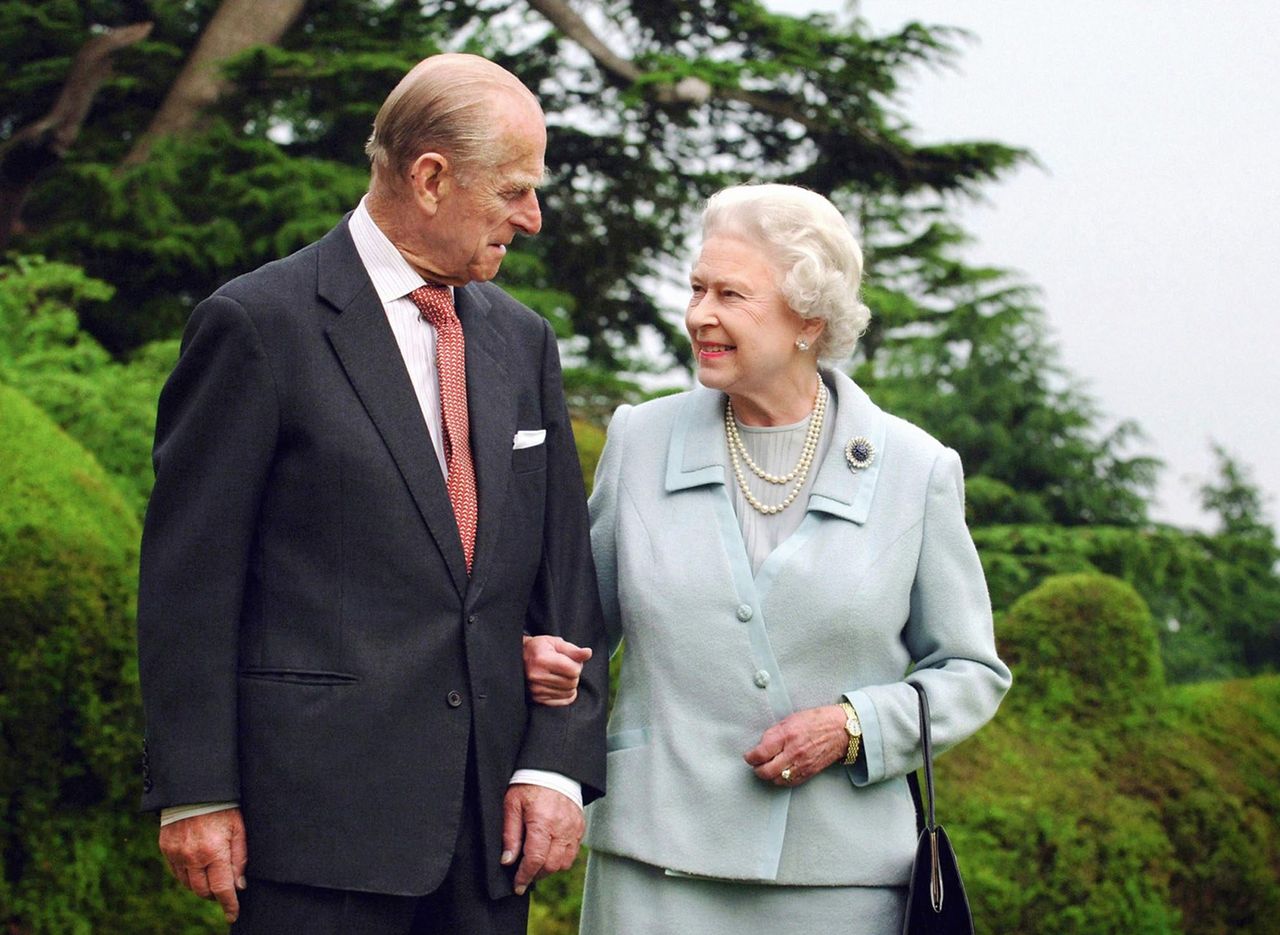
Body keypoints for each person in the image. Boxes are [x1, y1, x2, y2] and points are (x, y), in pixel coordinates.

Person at [136, 53, 607, 934]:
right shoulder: (256, 324)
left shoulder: (523, 339)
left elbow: (563, 580)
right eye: (515, 189)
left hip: (488, 838)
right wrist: (194, 790)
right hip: (314, 830)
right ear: (430, 177)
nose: (533, 219)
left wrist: (554, 766)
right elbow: (187, 584)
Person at [526, 183, 1011, 933]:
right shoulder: (640, 440)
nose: (699, 315)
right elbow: (577, 627)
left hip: (840, 884)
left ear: (808, 320)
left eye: (730, 294)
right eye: (695, 288)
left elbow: (971, 671)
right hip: (654, 870)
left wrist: (857, 726)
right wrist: (537, 655)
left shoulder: (915, 469)